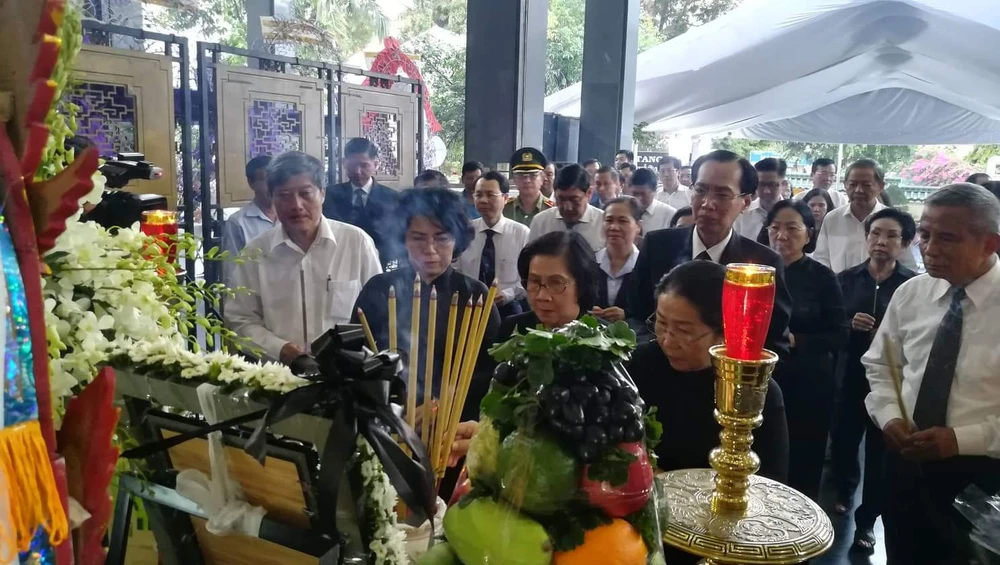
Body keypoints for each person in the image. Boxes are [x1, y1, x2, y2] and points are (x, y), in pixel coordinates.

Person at [864, 183, 1000, 564]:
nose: (930, 248)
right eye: (924, 234)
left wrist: (960, 440)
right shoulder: (912, 294)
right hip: (906, 462)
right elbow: (881, 365)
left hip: (982, 477)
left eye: (948, 238)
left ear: (989, 244)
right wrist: (889, 416)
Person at [629, 261, 788, 565]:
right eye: (661, 324)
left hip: (718, 539)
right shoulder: (638, 366)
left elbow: (772, 487)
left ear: (723, 331)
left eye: (684, 331)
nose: (667, 340)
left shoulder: (753, 390)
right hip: (639, 527)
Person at [629, 150, 792, 356]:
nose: (707, 203)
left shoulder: (763, 264)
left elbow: (775, 343)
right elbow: (635, 316)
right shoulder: (658, 245)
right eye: (701, 190)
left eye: (722, 195)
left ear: (746, 202)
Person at [226, 151, 382, 365]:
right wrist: (279, 349)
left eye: (305, 193)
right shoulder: (255, 253)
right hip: (278, 373)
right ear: (272, 198)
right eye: (284, 195)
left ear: (322, 194)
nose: (296, 205)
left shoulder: (356, 243)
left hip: (346, 372)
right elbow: (240, 320)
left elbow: (379, 312)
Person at [353, 187, 500, 402]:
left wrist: (442, 402)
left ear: (457, 240)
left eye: (441, 238)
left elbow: (490, 370)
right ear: (403, 240)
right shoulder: (380, 289)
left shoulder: (474, 296)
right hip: (387, 411)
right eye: (418, 238)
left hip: (454, 415)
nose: (430, 249)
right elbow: (355, 355)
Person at [829, 207, 917, 555]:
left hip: (890, 384)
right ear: (866, 238)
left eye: (891, 235)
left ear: (905, 243)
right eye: (875, 233)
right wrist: (849, 324)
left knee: (881, 455)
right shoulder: (845, 279)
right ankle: (844, 490)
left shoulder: (912, 286)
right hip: (849, 375)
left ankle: (867, 521)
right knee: (844, 440)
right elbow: (831, 326)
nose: (881, 241)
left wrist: (888, 333)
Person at [763, 199, 846, 502]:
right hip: (764, 378)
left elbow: (840, 333)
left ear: (809, 234)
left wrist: (797, 339)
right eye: (775, 228)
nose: (782, 235)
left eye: (792, 228)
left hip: (808, 382)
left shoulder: (822, 276)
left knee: (804, 457)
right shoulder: (757, 269)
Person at [813, 159, 918, 273]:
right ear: (845, 185)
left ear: (881, 186)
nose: (858, 190)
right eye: (853, 184)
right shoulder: (832, 219)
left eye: (866, 185)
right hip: (838, 283)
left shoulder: (894, 222)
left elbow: (908, 267)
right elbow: (821, 259)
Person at [455, 171, 530, 318]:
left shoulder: (521, 233)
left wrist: (508, 294)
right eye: (478, 195)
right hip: (468, 307)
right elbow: (455, 270)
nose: (483, 200)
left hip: (508, 309)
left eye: (490, 195)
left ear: (505, 198)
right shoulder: (465, 231)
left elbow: (530, 277)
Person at [498, 231, 598, 338]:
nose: (542, 296)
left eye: (556, 283)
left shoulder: (603, 338)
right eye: (534, 281)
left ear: (582, 286)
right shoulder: (512, 329)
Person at [323, 137, 400, 268]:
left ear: (376, 164)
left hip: (379, 265)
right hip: (338, 263)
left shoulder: (393, 199)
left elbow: (396, 238)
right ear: (344, 163)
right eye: (353, 165)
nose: (358, 171)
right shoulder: (329, 196)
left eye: (364, 165)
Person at [221, 155, 277, 285]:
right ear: (251, 183)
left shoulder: (291, 216)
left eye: (275, 179)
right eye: (264, 180)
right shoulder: (238, 222)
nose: (271, 186)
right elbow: (231, 270)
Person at [528, 164, 605, 253]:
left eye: (574, 200)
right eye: (561, 199)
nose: (567, 207)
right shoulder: (541, 222)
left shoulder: (603, 223)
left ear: (589, 193)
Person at [591, 197, 641, 324]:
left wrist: (627, 314)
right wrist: (588, 310)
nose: (614, 227)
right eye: (609, 220)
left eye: (622, 221)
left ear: (638, 226)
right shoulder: (589, 262)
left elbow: (651, 309)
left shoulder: (645, 266)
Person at [735, 157, 786, 241]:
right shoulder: (742, 213)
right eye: (761, 184)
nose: (766, 191)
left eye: (772, 185)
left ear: (783, 184)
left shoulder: (794, 214)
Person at [503, 147, 554, 227]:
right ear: (514, 179)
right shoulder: (504, 207)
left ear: (542, 178)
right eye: (521, 175)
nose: (527, 180)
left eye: (533, 175)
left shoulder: (552, 209)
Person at [628, 168, 676, 233]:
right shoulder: (622, 211)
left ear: (654, 191)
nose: (639, 198)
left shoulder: (670, 215)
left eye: (643, 194)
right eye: (635, 193)